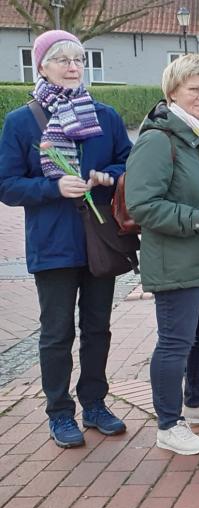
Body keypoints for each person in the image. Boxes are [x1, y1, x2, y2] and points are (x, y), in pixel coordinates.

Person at [0, 30, 131, 448]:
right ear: (41, 66)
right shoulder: (22, 122)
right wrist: (52, 189)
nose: (74, 66)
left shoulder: (105, 116)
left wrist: (109, 176)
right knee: (56, 332)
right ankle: (59, 412)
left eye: (79, 58)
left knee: (98, 328)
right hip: (53, 243)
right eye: (62, 59)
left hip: (99, 239)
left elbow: (126, 161)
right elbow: (7, 185)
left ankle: (94, 402)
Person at [126, 54, 199, 455]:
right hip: (177, 257)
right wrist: (198, 219)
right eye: (194, 88)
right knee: (176, 342)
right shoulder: (159, 138)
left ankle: (197, 402)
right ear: (172, 91)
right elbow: (141, 204)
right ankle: (168, 423)